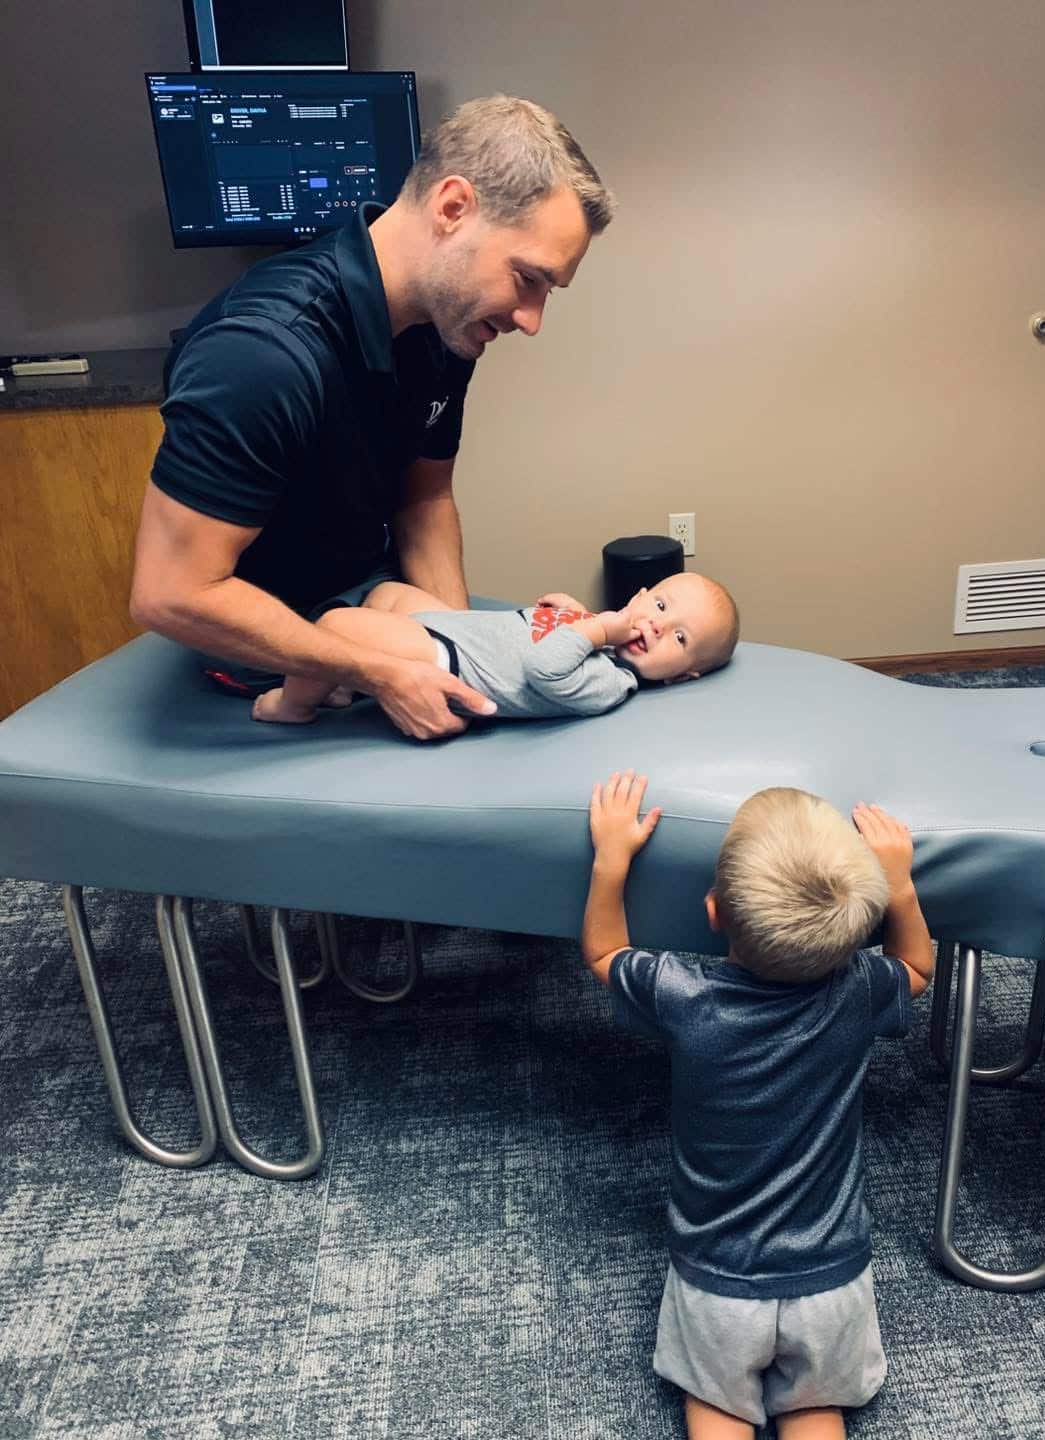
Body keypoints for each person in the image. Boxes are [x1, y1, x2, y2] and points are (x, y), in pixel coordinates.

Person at [129, 96, 615, 740]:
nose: (531, 320)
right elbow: (172, 594)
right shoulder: (262, 357)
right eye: (528, 278)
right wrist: (384, 672)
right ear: (452, 209)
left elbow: (425, 497)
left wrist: (460, 652)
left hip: (373, 598)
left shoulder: (446, 330)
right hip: (274, 652)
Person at [581, 776, 934, 1440]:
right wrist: (902, 886)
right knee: (814, 1409)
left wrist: (611, 860)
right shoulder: (859, 994)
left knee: (717, 1410)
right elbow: (916, 967)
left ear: (713, 913)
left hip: (718, 1286)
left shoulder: (684, 997)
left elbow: (604, 952)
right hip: (832, 1285)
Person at [251, 571, 740, 725]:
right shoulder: (605, 631)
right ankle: (348, 685)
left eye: (679, 637)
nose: (656, 626)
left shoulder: (611, 684)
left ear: (680, 675)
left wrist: (596, 632)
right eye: (659, 604)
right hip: (463, 629)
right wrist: (577, 613)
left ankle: (293, 704)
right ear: (637, 597)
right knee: (388, 594)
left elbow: (545, 667)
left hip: (451, 662)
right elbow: (568, 634)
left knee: (336, 626)